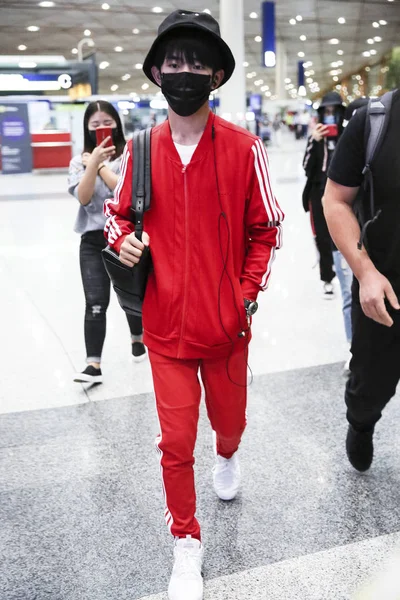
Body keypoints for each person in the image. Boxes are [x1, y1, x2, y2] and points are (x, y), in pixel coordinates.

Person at [104, 10, 284, 600]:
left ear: (215, 75)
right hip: (165, 331)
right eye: (174, 62)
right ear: (158, 72)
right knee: (174, 442)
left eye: (196, 63)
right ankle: (187, 542)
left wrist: (246, 298)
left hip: (227, 329)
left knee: (226, 427)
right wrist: (123, 240)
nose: (184, 72)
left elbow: (268, 229)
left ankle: (227, 453)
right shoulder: (141, 151)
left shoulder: (242, 149)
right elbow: (117, 215)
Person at [324, 89, 400, 473]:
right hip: (384, 286)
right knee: (370, 385)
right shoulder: (375, 120)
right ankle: (361, 421)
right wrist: (365, 272)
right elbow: (335, 200)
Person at [68, 100, 146, 385]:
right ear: (87, 129)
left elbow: (124, 192)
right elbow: (84, 197)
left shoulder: (130, 155)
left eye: (107, 121)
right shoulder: (79, 161)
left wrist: (99, 166)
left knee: (132, 296)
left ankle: (138, 338)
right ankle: (93, 365)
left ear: (117, 123)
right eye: (95, 124)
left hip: (125, 236)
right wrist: (91, 165)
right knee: (95, 302)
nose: (102, 128)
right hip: (92, 239)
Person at [303, 92, 346, 299]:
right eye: (326, 112)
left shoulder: (347, 136)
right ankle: (327, 277)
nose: (330, 116)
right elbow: (305, 166)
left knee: (345, 233)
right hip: (318, 192)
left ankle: (346, 269)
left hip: (343, 192)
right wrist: (314, 140)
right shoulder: (316, 138)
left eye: (333, 112)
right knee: (322, 236)